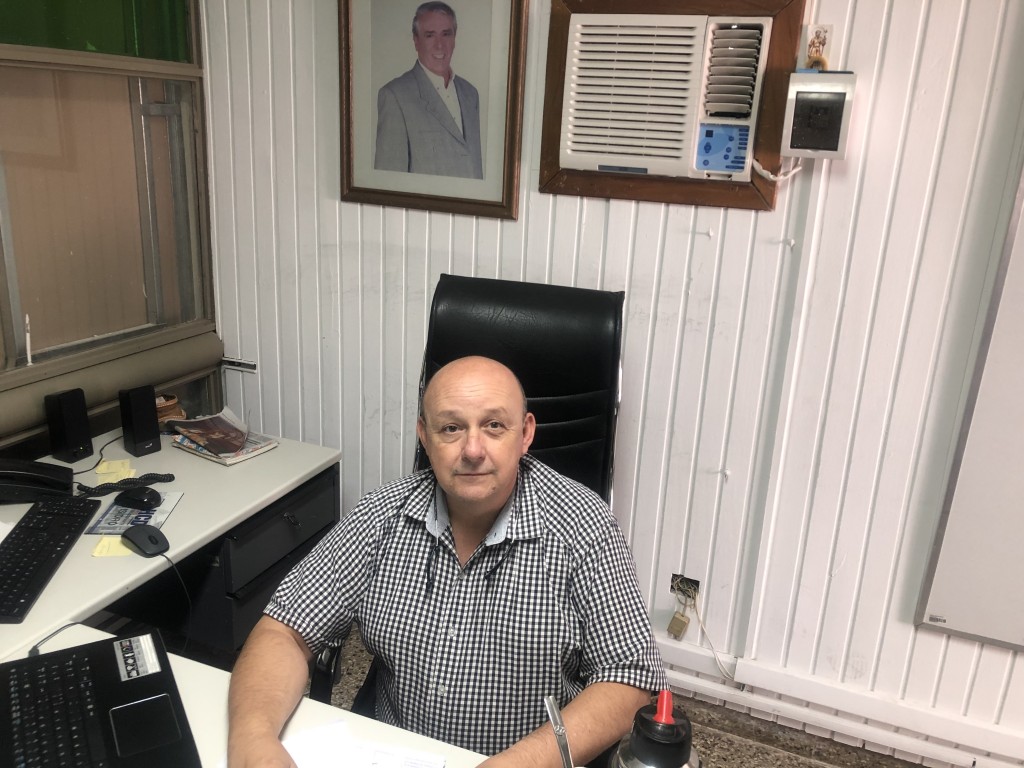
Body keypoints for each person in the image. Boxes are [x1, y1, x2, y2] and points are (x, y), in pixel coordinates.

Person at [227, 356, 667, 767]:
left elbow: (630, 678)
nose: (473, 450)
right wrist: (253, 737)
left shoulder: (583, 524)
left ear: (526, 433)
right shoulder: (382, 514)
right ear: (425, 435)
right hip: (396, 753)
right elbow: (285, 630)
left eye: (494, 425)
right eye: (452, 428)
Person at [373, 2, 483, 179]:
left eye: (446, 34)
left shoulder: (470, 94)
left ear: (454, 38)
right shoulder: (395, 96)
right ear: (416, 41)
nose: (440, 45)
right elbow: (389, 183)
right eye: (430, 35)